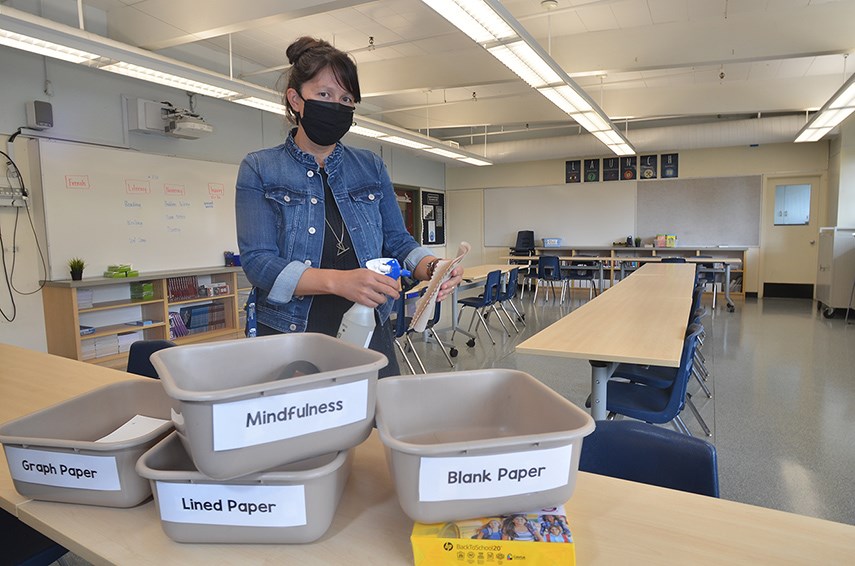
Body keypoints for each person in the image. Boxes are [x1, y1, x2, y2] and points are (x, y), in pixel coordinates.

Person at [236, 37, 462, 377]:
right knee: (306, 426)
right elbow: (259, 263)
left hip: (370, 328)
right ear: (296, 99)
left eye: (346, 99)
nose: (336, 105)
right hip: (292, 333)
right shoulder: (260, 168)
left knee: (375, 422)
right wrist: (338, 282)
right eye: (324, 95)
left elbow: (398, 242)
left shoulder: (370, 166)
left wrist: (433, 268)